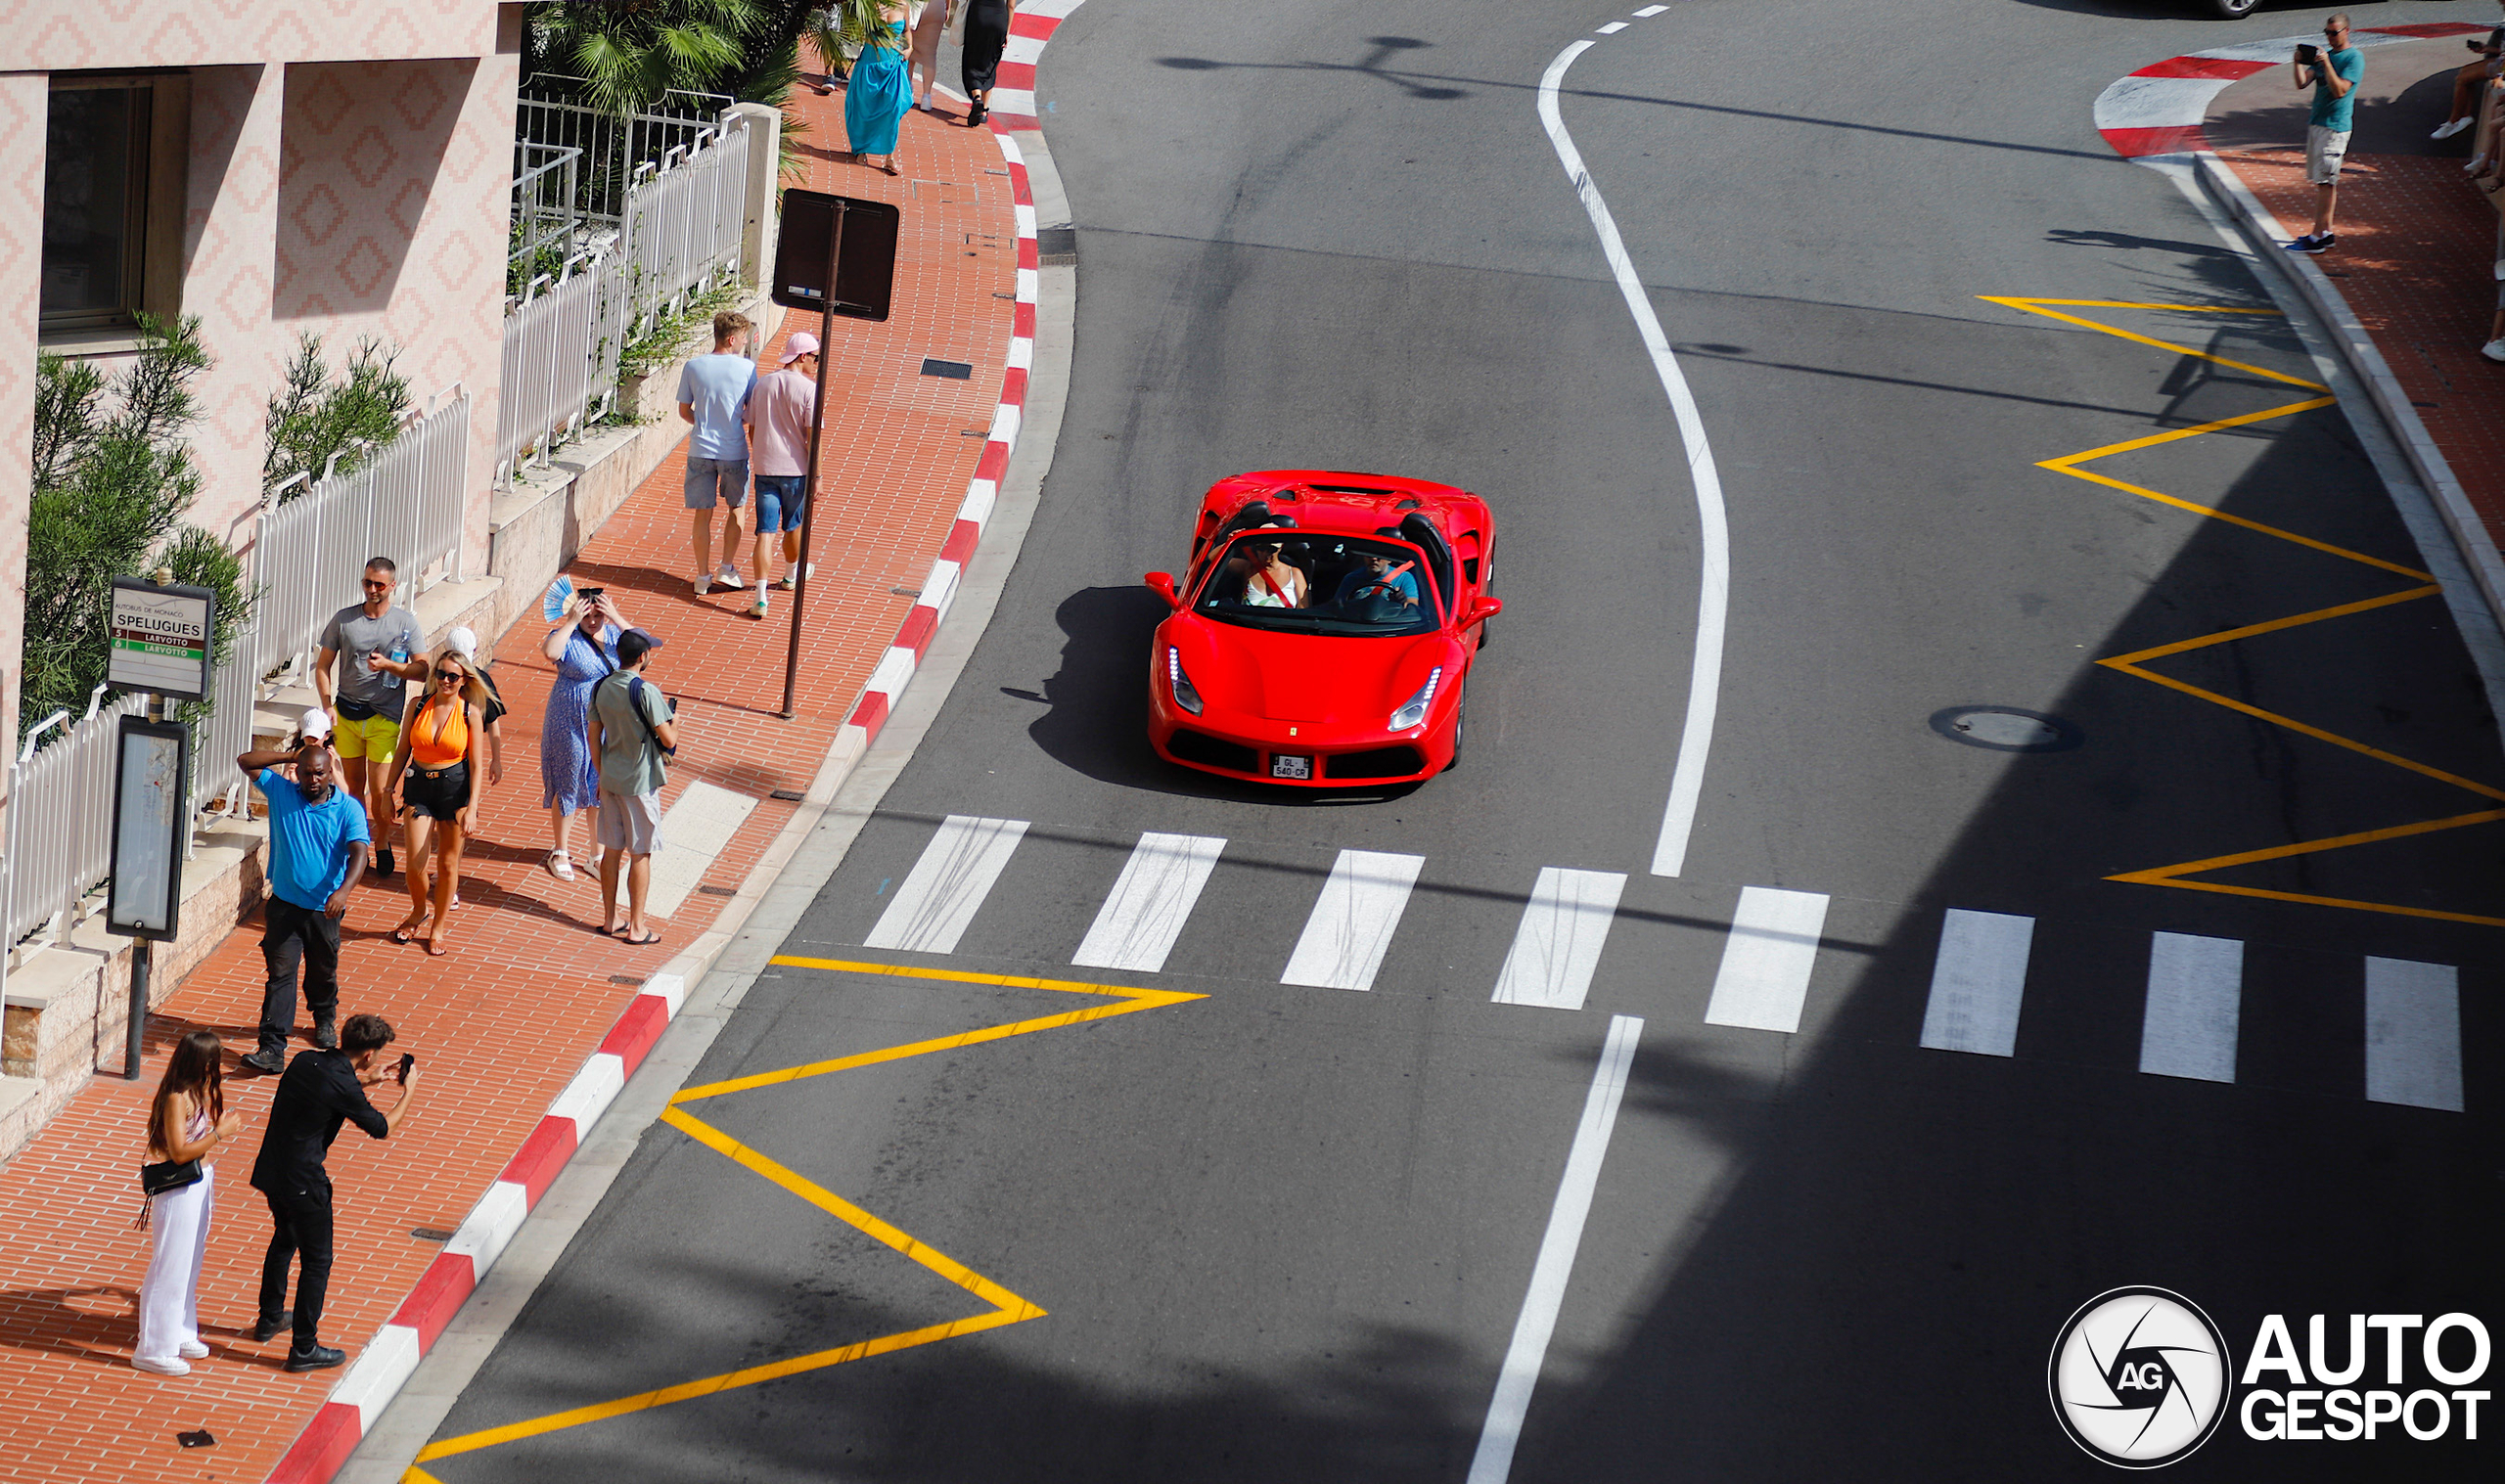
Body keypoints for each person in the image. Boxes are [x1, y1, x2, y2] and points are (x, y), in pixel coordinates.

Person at [248, 1012, 420, 1372]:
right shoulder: (344, 1085)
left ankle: (270, 1318)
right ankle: (304, 1348)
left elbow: (332, 1089)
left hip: (272, 1172)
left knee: (284, 1240)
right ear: (371, 1053)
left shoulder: (305, 1060)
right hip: (305, 1184)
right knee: (317, 1263)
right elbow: (382, 1128)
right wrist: (409, 1091)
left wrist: (366, 1081)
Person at [237, 742, 371, 1076]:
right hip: (283, 906)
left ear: (330, 773)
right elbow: (245, 761)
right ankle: (272, 1048)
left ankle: (324, 1017)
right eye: (307, 773)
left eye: (320, 773)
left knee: (321, 971)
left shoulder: (348, 809)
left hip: (324, 910)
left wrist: (343, 892)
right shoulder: (283, 793)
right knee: (281, 975)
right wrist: (289, 756)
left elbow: (359, 853)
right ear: (298, 773)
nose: (313, 780)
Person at [131, 1030, 245, 1376]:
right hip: (180, 1187)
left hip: (200, 1182)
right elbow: (179, 1153)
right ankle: (153, 1347)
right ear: (202, 1062)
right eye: (215, 1060)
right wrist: (219, 1134)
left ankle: (180, 1332)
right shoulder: (177, 1098)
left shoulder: (197, 1091)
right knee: (171, 1265)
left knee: (190, 1262)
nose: (219, 1066)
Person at [314, 558, 425, 877]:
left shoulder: (405, 624)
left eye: (379, 584)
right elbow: (322, 666)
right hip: (346, 715)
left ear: (392, 586)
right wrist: (326, 705)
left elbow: (422, 668)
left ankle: (383, 841)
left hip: (384, 717)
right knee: (352, 787)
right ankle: (359, 844)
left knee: (380, 791)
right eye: (368, 583)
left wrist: (390, 667)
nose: (373, 590)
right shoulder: (344, 620)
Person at [384, 647, 488, 956]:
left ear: (463, 679)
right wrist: (388, 791)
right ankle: (419, 910)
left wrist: (472, 808)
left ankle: (438, 927)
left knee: (447, 863)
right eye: (440, 674)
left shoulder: (471, 713)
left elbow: (477, 766)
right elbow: (403, 751)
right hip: (418, 788)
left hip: (454, 792)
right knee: (414, 864)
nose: (445, 680)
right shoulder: (417, 706)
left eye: (452, 676)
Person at [588, 628, 677, 945]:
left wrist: (600, 774)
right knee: (641, 852)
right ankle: (637, 927)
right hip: (639, 782)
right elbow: (668, 740)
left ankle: (610, 919)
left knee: (612, 850)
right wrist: (675, 722)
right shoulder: (646, 690)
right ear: (642, 657)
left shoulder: (601, 686)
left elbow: (594, 737)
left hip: (610, 777)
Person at [540, 589, 630, 881]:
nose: (593, 621)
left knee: (600, 786)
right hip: (569, 719)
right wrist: (571, 622)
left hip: (607, 721)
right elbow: (551, 652)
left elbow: (643, 647)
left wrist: (614, 615)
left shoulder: (617, 637)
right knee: (568, 779)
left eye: (597, 615)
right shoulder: (568, 636)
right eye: (587, 615)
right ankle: (560, 850)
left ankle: (597, 854)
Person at [745, 331, 823, 617]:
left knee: (764, 531)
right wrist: (817, 476)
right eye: (815, 357)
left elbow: (752, 427)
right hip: (796, 471)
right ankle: (791, 574)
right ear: (802, 356)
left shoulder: (763, 384)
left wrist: (763, 453)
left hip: (766, 468)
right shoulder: (809, 389)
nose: (817, 363)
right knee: (793, 525)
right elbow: (813, 437)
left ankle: (761, 597)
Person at [678, 311, 756, 595]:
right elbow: (752, 410)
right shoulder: (747, 369)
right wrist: (738, 420)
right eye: (744, 339)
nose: (745, 344)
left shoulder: (693, 366)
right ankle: (726, 566)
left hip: (700, 448)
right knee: (737, 508)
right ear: (732, 339)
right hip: (733, 450)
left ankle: (702, 575)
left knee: (703, 512)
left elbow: (684, 410)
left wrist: (702, 423)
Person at [2283, 16, 2360, 256]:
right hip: (2318, 123)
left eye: (2334, 32)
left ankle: (2316, 238)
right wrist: (2297, 63)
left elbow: (2340, 91)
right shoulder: (2324, 55)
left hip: (2335, 127)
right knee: (2324, 181)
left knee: (2327, 182)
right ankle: (2326, 232)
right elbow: (2302, 83)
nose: (2330, 36)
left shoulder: (2353, 58)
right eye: (2327, 32)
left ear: (2347, 31)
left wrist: (2326, 64)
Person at [845, 0, 914, 173]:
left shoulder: (904, 5)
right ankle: (861, 148)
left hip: (893, 64)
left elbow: (907, 31)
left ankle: (889, 156)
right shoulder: (869, 4)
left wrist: (910, 48)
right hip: (870, 63)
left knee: (894, 107)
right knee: (865, 108)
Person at [2433, 8, 2504, 140]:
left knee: (2462, 78)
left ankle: (2453, 121)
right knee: (2465, 72)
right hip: (2501, 59)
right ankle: (2465, 117)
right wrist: (2487, 49)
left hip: (2502, 64)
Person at [959, 0, 1014, 128]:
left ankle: (976, 97)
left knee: (972, 59)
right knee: (990, 63)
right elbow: (1011, 6)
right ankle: (984, 109)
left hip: (978, 15)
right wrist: (1007, 30)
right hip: (998, 19)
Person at [1335, 549, 1423, 617]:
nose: (1374, 559)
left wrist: (1402, 600)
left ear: (1389, 559)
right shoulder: (1351, 579)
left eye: (1379, 556)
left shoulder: (1404, 578)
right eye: (1369, 555)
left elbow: (1413, 608)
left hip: (1390, 625)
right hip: (1356, 625)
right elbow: (1337, 607)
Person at [1225, 537, 1307, 607]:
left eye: (1271, 549)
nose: (1266, 553)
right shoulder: (1248, 568)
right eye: (1261, 548)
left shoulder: (1294, 573)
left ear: (1280, 547)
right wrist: (1230, 541)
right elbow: (1214, 558)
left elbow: (1303, 610)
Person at [908, 0, 953, 113]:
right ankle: (926, 96)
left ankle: (908, 89)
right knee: (930, 55)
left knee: (910, 48)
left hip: (916, 5)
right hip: (937, 6)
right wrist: (947, 7)